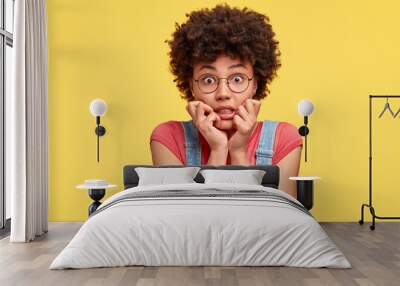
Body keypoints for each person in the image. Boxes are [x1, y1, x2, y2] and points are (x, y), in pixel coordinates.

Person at [150, 4, 302, 198]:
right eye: (208, 79)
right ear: (192, 86)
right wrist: (218, 149)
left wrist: (238, 150)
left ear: (255, 83)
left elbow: (280, 219)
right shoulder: (168, 138)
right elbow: (184, 219)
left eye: (237, 78)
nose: (223, 93)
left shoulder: (284, 139)